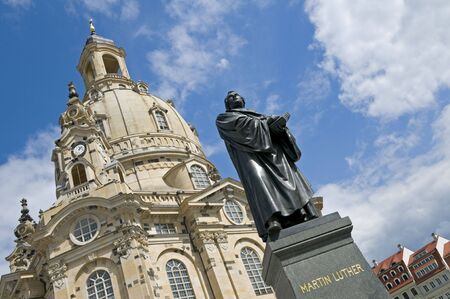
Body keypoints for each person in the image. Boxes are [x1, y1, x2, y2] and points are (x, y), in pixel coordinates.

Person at [216, 91, 319, 241]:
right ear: (227, 105)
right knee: (259, 180)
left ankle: (305, 211)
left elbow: (270, 130)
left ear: (243, 101)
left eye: (237, 95)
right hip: (251, 156)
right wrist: (266, 124)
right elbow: (243, 128)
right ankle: (273, 220)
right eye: (230, 97)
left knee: (290, 179)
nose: (235, 97)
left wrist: (279, 128)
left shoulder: (258, 115)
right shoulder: (224, 118)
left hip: (274, 153)